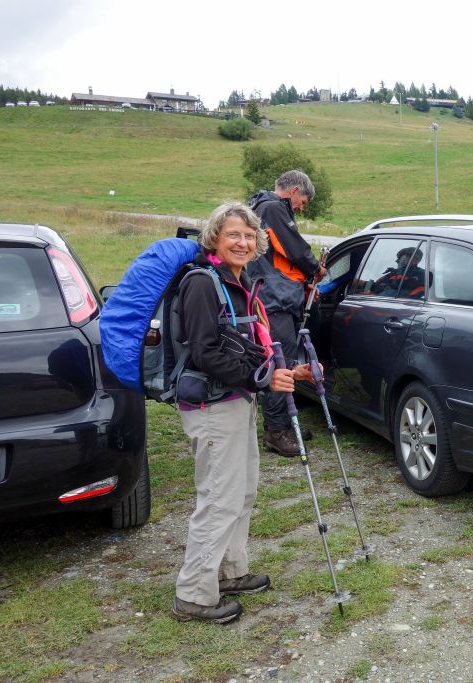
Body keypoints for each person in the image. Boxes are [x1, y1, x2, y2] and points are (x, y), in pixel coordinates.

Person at [172, 202, 311, 624]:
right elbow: (206, 353)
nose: (243, 242)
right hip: (212, 406)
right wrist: (263, 380)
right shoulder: (202, 283)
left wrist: (280, 371)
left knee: (242, 491)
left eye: (250, 236)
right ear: (215, 237)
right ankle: (195, 594)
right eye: (234, 234)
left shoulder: (238, 280)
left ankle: (229, 571)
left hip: (235, 401)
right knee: (218, 498)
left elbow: (248, 347)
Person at [247, 170, 325, 457]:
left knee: (286, 363)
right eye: (302, 201)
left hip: (277, 298)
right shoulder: (272, 208)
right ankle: (276, 432)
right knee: (280, 364)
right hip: (275, 301)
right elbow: (295, 250)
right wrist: (316, 270)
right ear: (293, 191)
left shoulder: (263, 208)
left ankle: (286, 424)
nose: (302, 207)